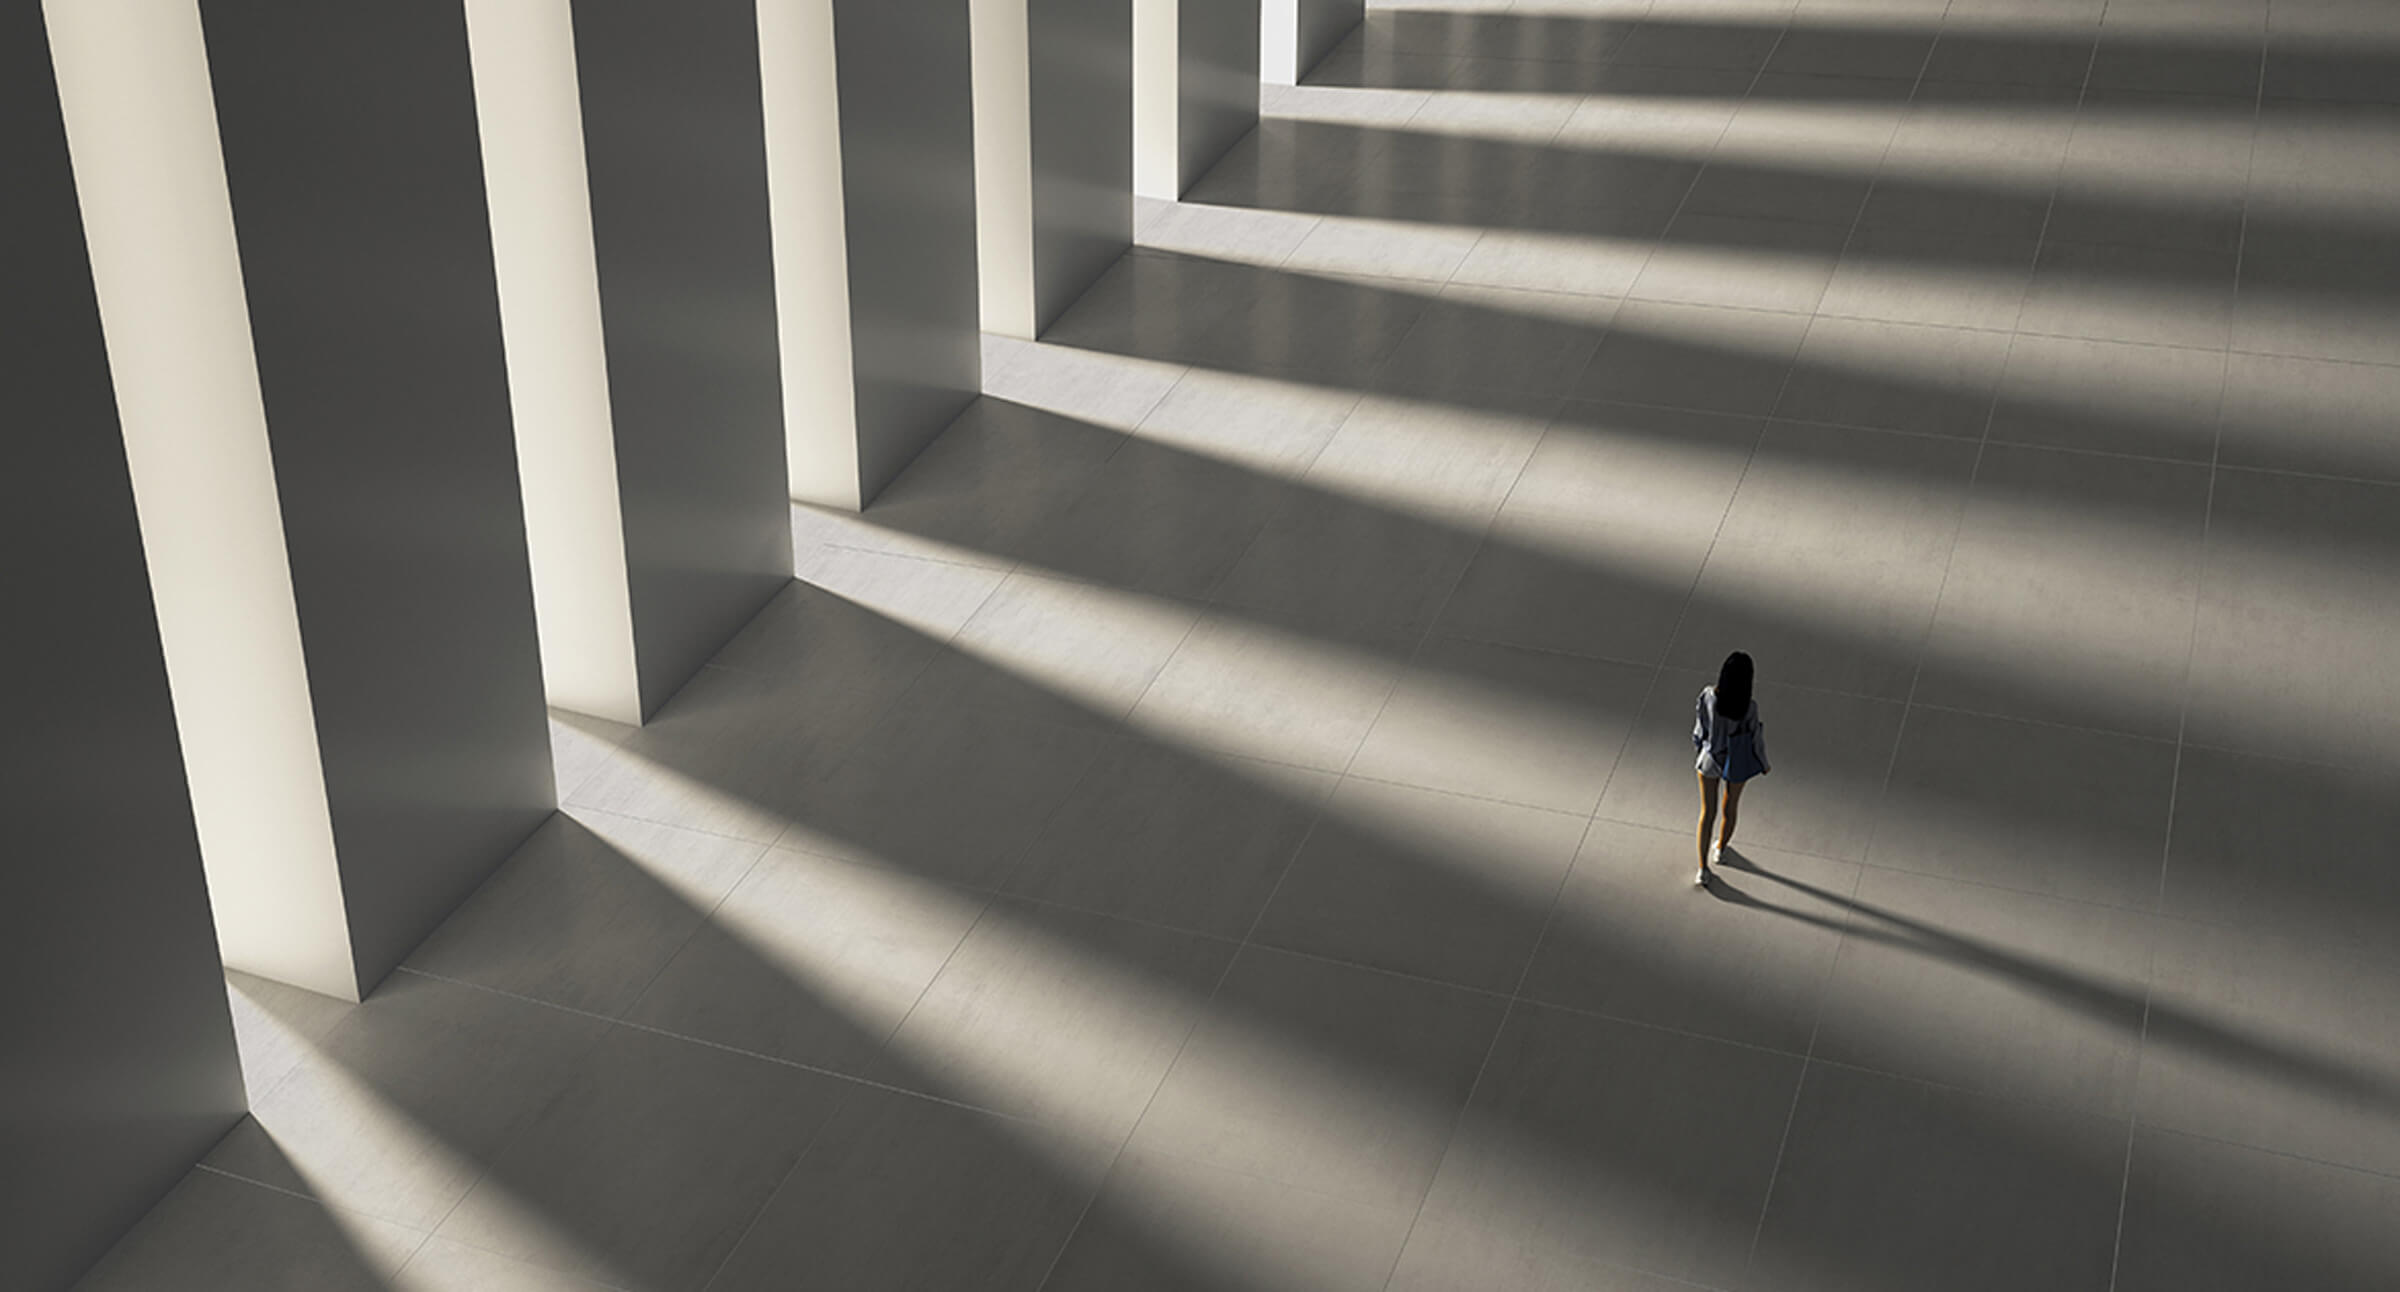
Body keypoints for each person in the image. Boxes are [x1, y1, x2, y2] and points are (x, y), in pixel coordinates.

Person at [1692, 651, 1768, 886]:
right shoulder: (1748, 707)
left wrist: (1700, 748)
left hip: (1710, 759)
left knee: (1707, 813)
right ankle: (1721, 849)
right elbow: (1755, 738)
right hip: (1736, 762)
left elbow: (1700, 729)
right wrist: (1763, 763)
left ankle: (1703, 868)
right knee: (1730, 807)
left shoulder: (1707, 695)